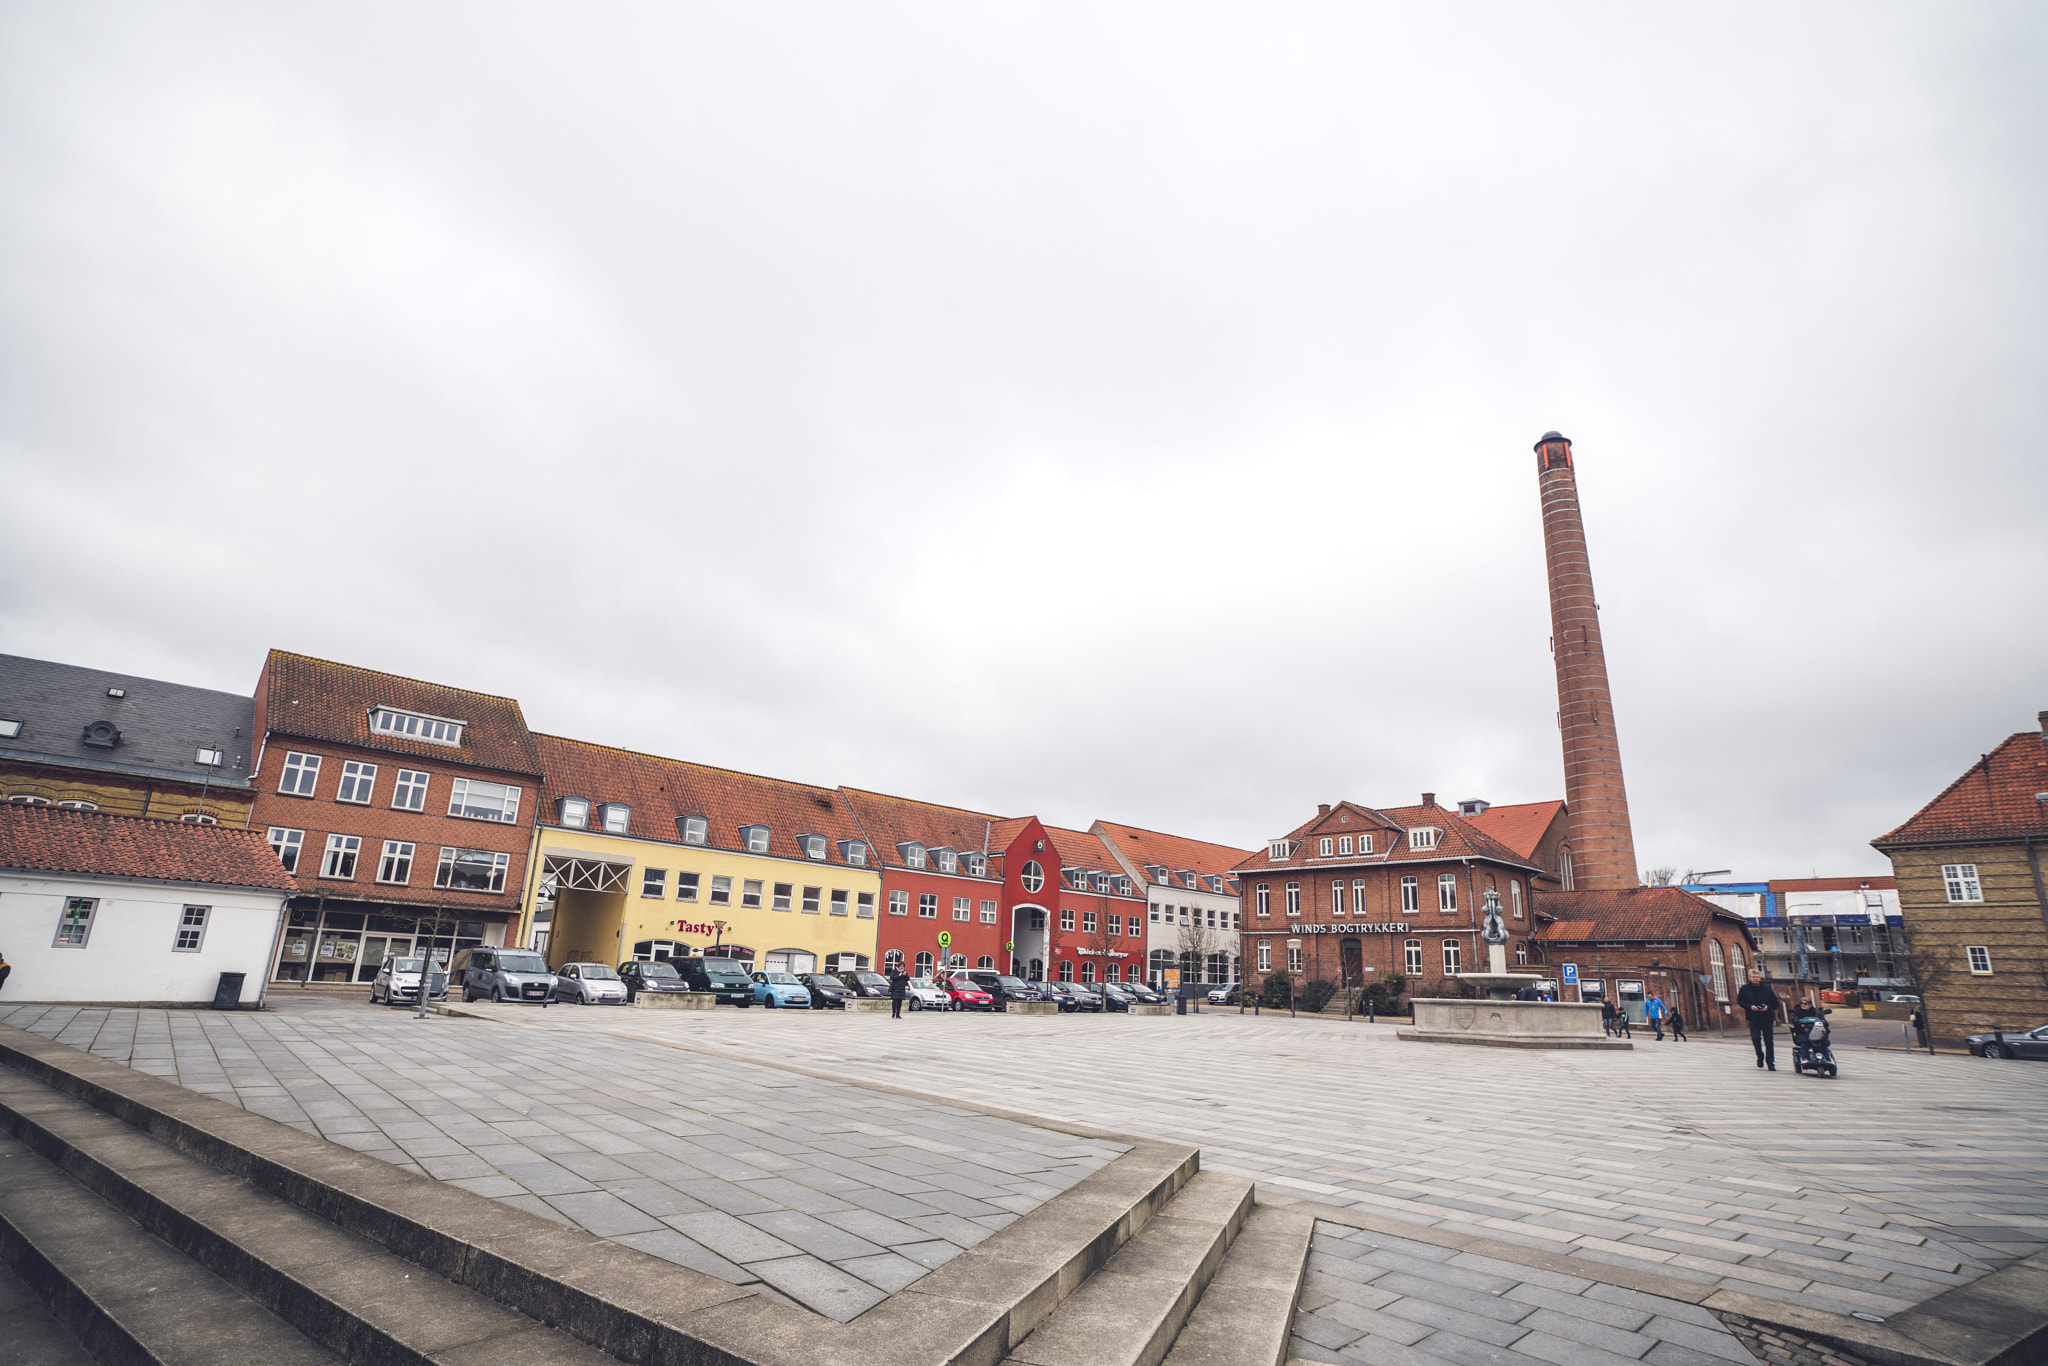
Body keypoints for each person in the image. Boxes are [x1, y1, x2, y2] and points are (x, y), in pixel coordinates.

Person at [1736, 969, 1781, 1070]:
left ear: (1760, 978)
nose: (1755, 979)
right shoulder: (1744, 989)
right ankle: (1760, 1056)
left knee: (1769, 1041)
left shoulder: (1767, 989)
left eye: (1757, 977)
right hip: (1753, 1018)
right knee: (1756, 1039)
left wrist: (1767, 1007)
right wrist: (1750, 1007)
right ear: (1749, 978)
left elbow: (1775, 1003)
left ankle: (1770, 1062)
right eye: (1753, 977)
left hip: (1767, 1018)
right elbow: (1740, 1001)